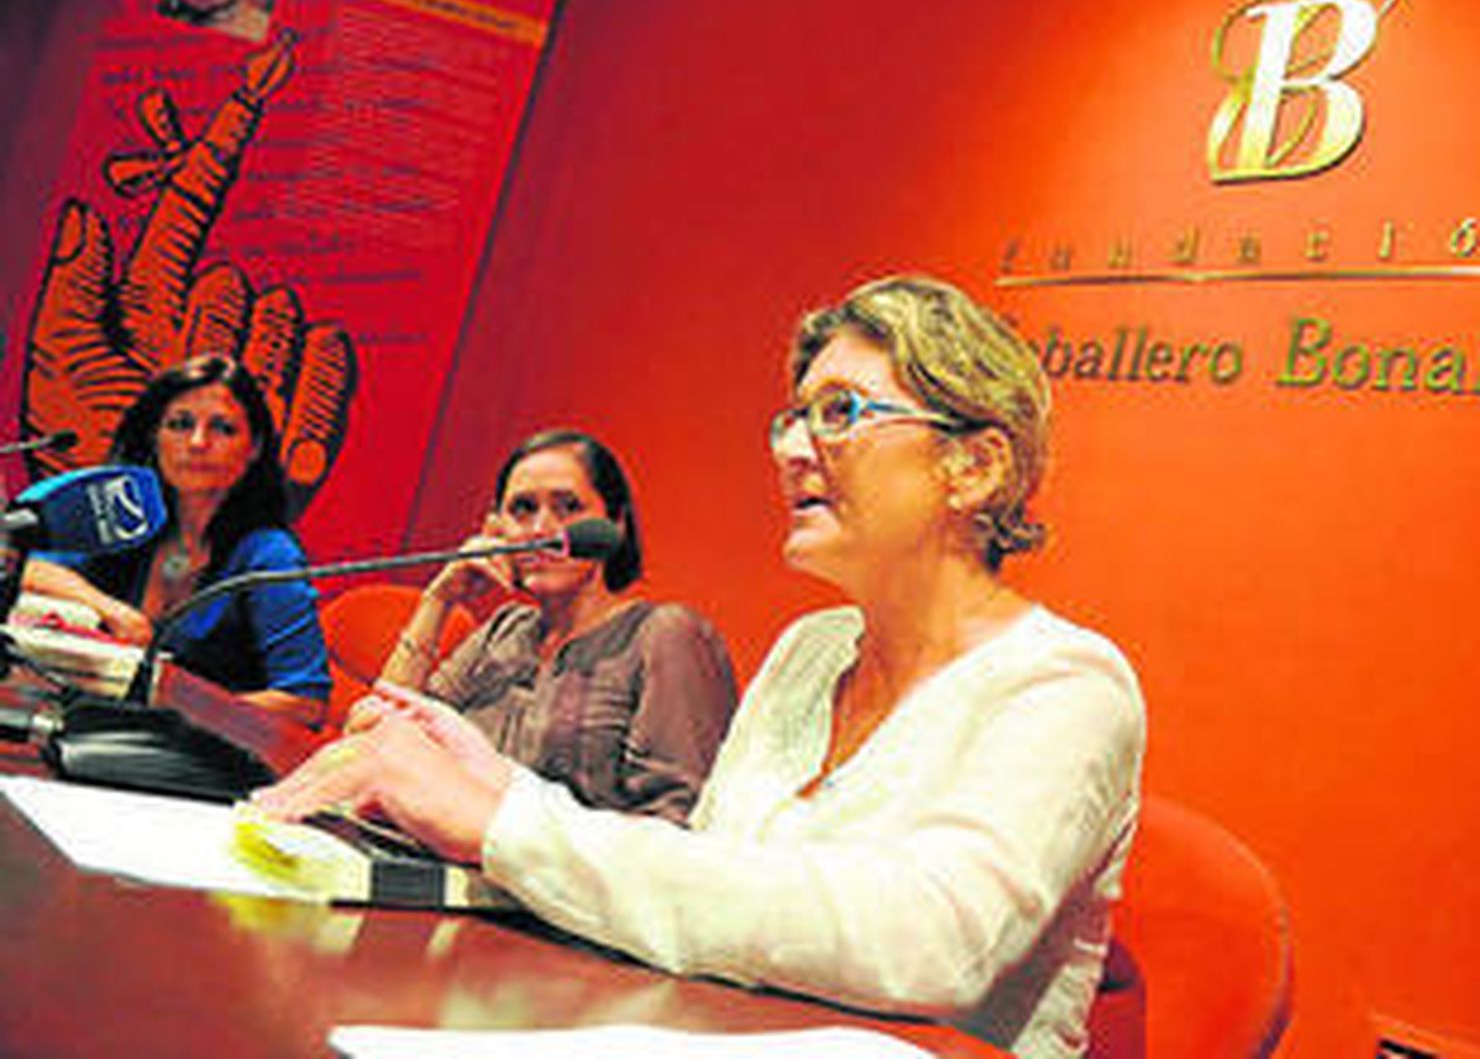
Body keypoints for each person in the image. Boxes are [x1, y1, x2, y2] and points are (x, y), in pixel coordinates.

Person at [253, 276, 1146, 1058]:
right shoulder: (811, 651)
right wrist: (477, 771)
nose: (793, 448)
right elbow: (707, 877)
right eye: (794, 416)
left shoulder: (1067, 686)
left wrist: (507, 821)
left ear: (974, 466)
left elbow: (925, 947)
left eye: (840, 411)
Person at [351, 429, 738, 824]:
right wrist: (438, 601)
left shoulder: (665, 634)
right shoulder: (503, 632)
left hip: (563, 881)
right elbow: (375, 735)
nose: (541, 528)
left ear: (615, 525)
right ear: (495, 528)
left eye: (569, 507)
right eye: (522, 509)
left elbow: (678, 818)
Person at [24, 354, 330, 725]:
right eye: (180, 424)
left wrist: (175, 704)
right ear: (155, 437)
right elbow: (29, 566)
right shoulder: (126, 517)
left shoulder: (269, 555)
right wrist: (113, 611)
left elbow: (305, 703)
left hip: (204, 760)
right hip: (92, 734)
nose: (198, 442)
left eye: (223, 429)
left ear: (254, 449)